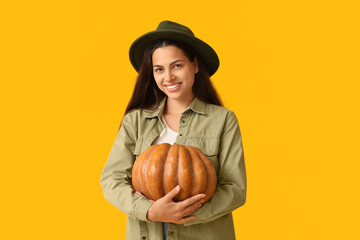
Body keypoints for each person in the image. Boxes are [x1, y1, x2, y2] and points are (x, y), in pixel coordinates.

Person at [100, 20, 246, 240]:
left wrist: (185, 213)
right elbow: (112, 180)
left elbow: (235, 188)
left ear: (195, 66)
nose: (168, 77)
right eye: (159, 69)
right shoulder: (135, 122)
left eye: (177, 65)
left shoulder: (223, 120)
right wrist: (149, 211)